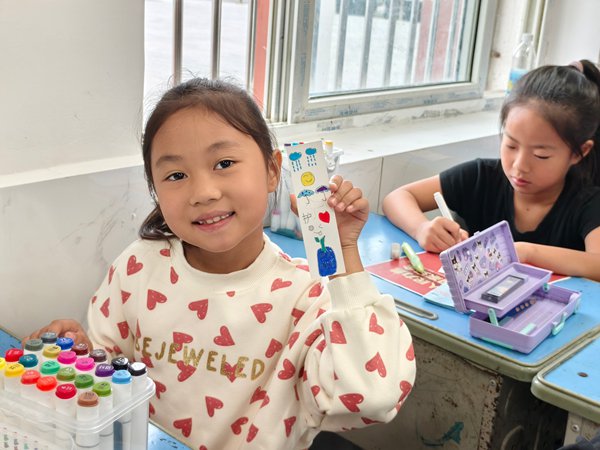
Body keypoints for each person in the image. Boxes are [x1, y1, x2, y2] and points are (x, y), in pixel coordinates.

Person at [24, 78, 416, 449]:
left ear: (272, 170)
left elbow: (372, 397)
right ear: (154, 189)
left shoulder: (308, 298)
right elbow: (107, 376)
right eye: (176, 174)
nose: (204, 192)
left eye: (224, 163)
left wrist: (343, 253)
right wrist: (76, 355)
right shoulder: (139, 268)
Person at [383, 60, 600, 281]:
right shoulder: (481, 177)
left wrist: (526, 252)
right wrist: (421, 229)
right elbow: (397, 197)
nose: (519, 165)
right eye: (511, 145)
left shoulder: (588, 203)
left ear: (579, 152)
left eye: (540, 155)